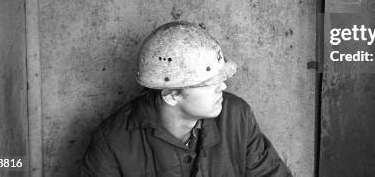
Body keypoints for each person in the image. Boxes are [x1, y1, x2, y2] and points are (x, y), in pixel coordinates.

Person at [81, 21, 292, 177]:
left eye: (221, 77)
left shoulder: (236, 116)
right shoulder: (112, 142)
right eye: (210, 82)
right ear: (172, 95)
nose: (223, 86)